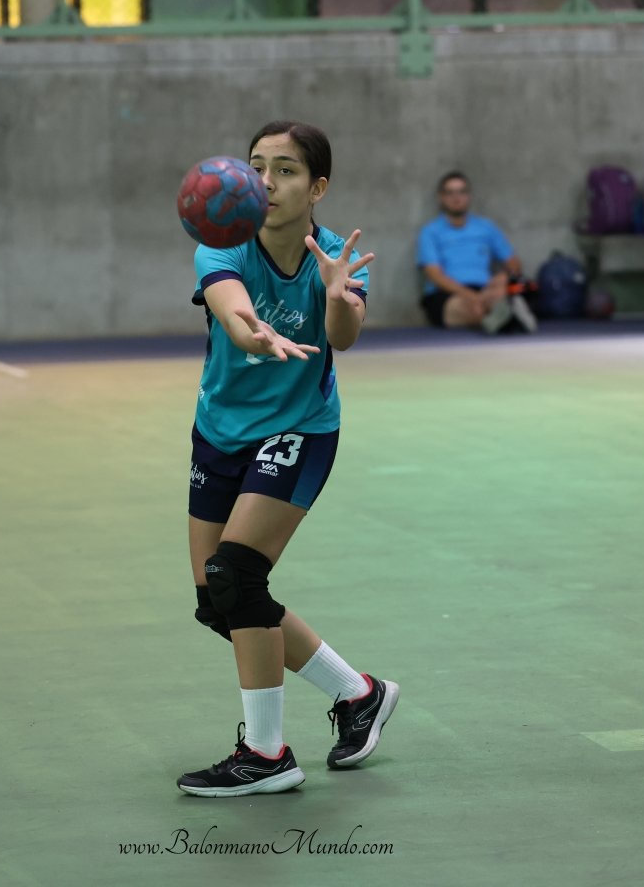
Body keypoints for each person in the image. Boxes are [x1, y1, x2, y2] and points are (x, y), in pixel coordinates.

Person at [177, 121, 400, 798]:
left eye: (285, 169)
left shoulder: (337, 259)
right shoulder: (222, 244)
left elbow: (344, 337)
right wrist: (255, 333)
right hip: (220, 430)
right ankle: (357, 693)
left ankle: (266, 753)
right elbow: (232, 308)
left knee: (237, 573)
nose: (266, 183)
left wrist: (336, 296)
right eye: (256, 167)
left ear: (317, 187)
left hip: (300, 430)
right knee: (217, 600)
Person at [416, 171, 536, 334]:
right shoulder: (430, 232)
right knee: (467, 307)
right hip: (448, 294)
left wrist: (503, 277)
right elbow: (435, 275)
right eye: (450, 193)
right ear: (441, 197)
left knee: (507, 288)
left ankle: (500, 314)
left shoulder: (486, 227)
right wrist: (471, 296)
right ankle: (504, 316)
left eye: (461, 192)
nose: (456, 197)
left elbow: (514, 264)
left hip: (485, 290)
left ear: (469, 196)